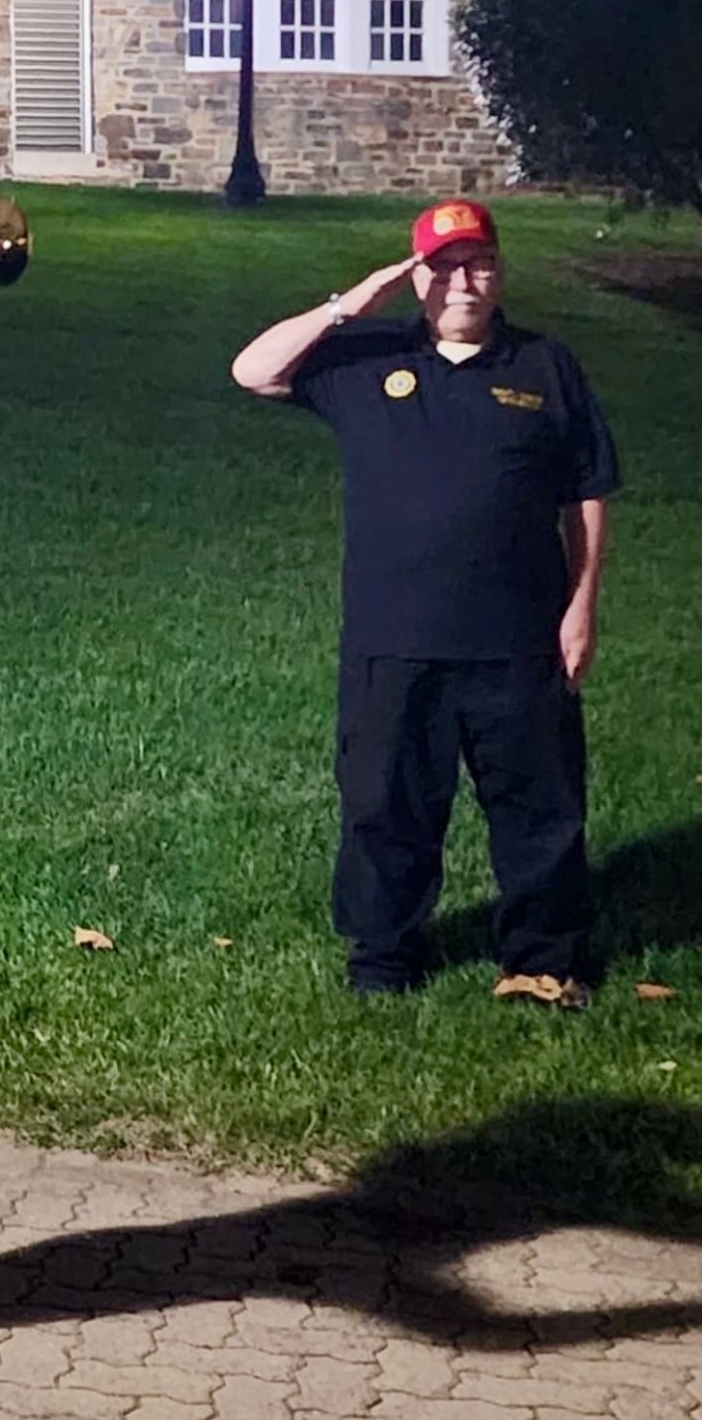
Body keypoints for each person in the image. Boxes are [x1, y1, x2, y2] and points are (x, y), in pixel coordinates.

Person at [230, 200, 619, 1005]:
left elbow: (587, 491)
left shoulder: (546, 367)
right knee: (386, 804)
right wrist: (351, 303)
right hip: (393, 638)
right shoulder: (366, 358)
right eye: (442, 265)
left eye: (477, 262)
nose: (462, 281)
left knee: (539, 809)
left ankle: (542, 958)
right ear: (417, 276)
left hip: (518, 637)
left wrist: (581, 606)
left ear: (500, 271)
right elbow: (253, 371)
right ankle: (385, 957)